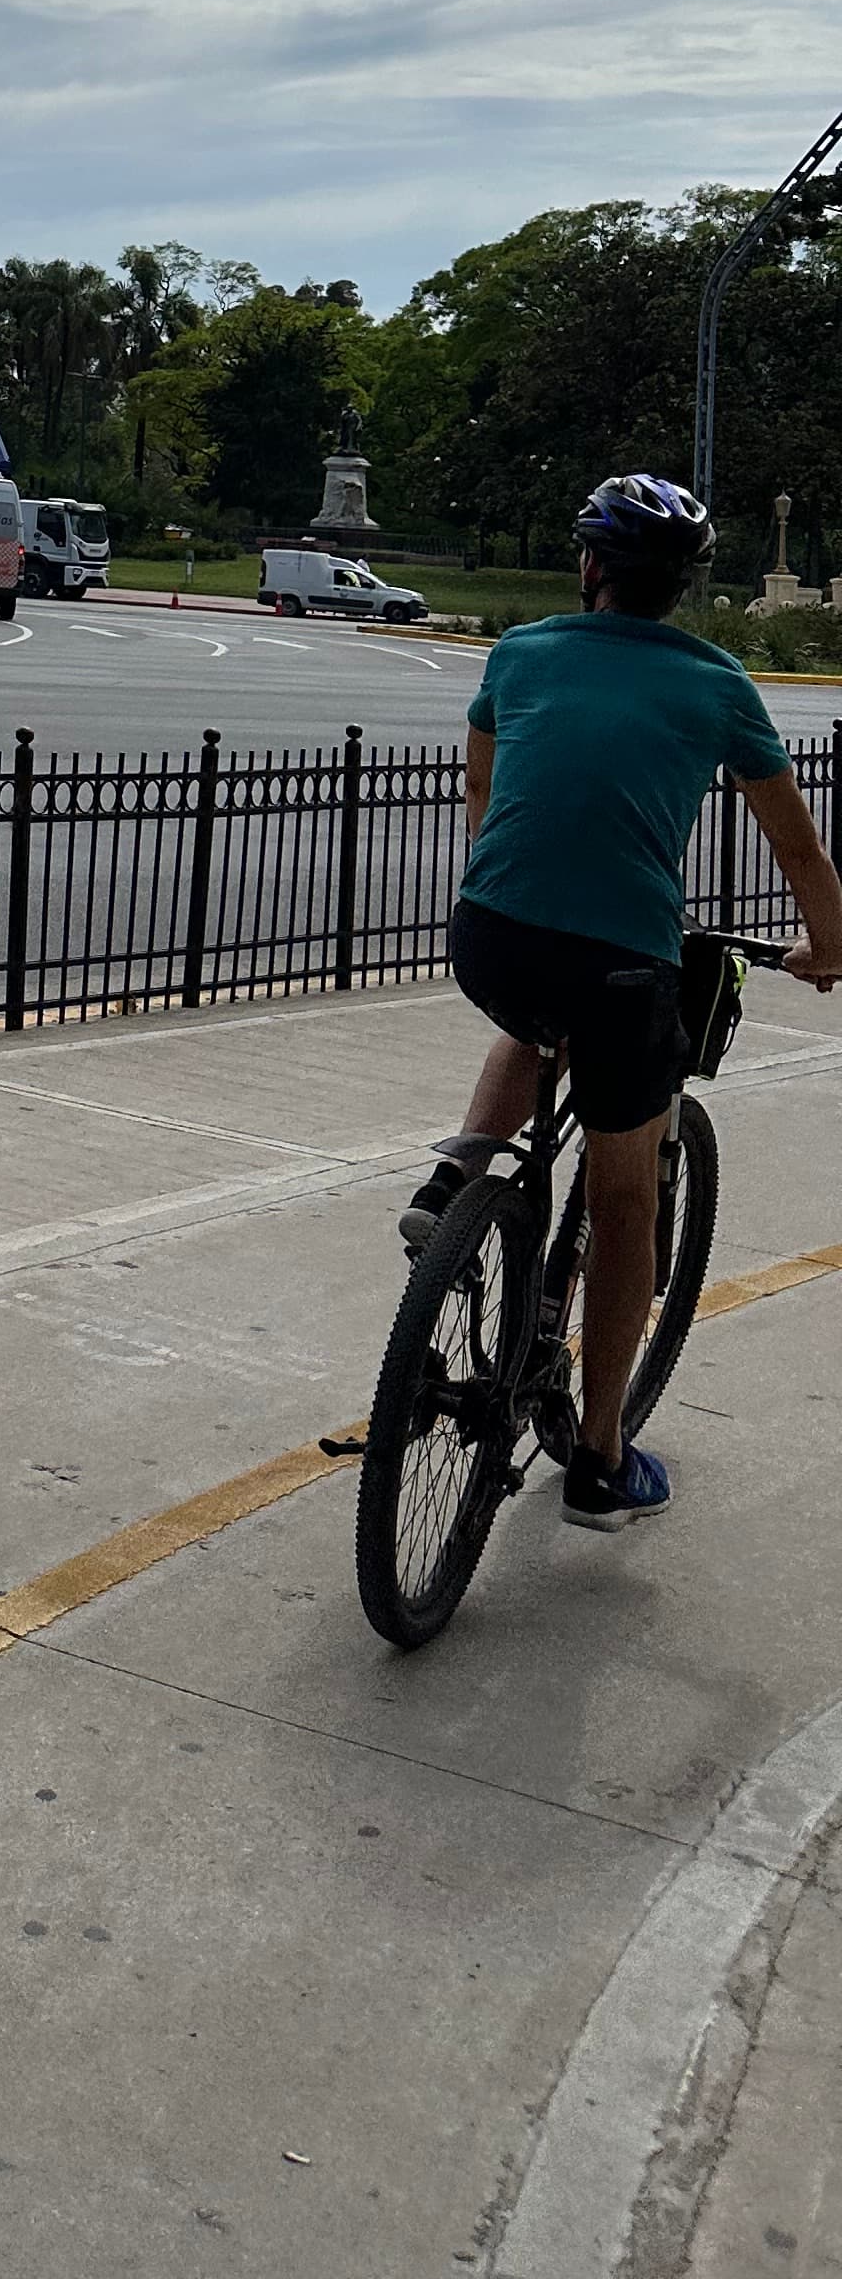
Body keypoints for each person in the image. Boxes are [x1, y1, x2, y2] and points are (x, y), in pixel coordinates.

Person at [403, 475, 842, 1529]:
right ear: (682, 585)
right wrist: (830, 950)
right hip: (621, 964)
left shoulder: (520, 654)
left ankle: (458, 1170)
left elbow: (481, 789)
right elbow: (798, 848)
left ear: (589, 567)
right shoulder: (717, 682)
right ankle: (599, 1459)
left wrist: (514, 884)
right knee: (625, 1201)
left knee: (531, 1017)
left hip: (491, 935)